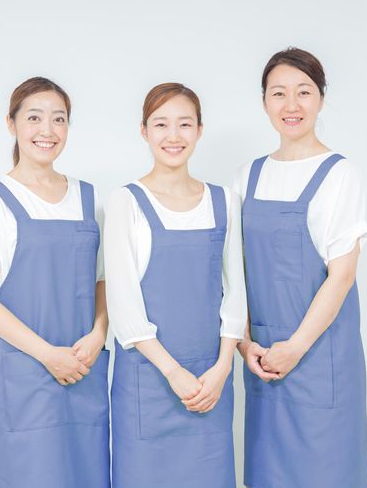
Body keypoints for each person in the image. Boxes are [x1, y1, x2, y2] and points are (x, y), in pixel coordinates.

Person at [234, 48, 367, 488]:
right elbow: (234, 273)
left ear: (321, 98)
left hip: (319, 356)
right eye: (279, 93)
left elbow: (342, 276)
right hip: (264, 360)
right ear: (264, 102)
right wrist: (244, 343)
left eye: (304, 92)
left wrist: (295, 347)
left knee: (325, 473)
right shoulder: (248, 176)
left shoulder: (340, 175)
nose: (291, 105)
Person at [0, 77, 110, 488]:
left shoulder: (89, 198)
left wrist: (98, 334)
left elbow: (102, 279)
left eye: (58, 119)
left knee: (88, 475)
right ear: (11, 124)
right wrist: (47, 355)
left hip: (82, 369)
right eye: (34, 118)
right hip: (25, 376)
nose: (47, 130)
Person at [104, 83, 246, 488]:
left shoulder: (224, 202)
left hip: (210, 382)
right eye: (161, 124)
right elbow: (123, 304)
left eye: (184, 124)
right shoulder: (126, 202)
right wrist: (173, 372)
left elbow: (236, 293)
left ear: (200, 130)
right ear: (144, 131)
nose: (173, 135)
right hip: (148, 382)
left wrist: (222, 369)